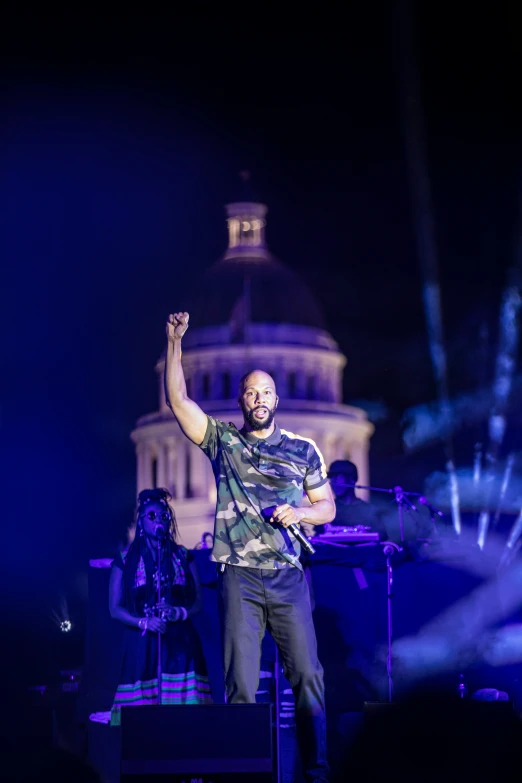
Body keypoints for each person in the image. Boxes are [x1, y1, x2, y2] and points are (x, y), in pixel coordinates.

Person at [165, 311, 335, 783]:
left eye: (265, 393)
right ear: (241, 399)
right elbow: (178, 400)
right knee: (240, 682)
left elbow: (328, 508)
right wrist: (175, 344)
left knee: (308, 675)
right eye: (250, 393)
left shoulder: (303, 450)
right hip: (239, 573)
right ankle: (243, 773)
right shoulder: (223, 442)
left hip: (287, 575)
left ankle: (317, 769)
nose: (258, 400)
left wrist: (301, 512)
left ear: (276, 399)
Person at [109, 488, 212, 722]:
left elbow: (198, 601)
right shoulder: (125, 561)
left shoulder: (183, 556)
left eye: (164, 516)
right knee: (143, 721)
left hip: (180, 645)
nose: (160, 521)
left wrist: (179, 612)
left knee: (183, 719)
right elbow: (114, 609)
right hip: (142, 645)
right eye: (152, 516)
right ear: (141, 522)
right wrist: (144, 621)